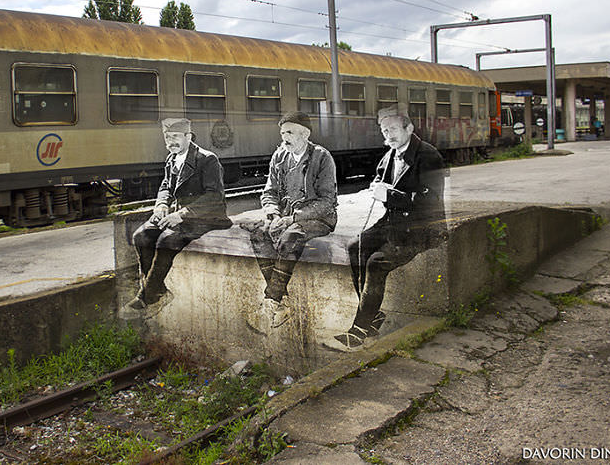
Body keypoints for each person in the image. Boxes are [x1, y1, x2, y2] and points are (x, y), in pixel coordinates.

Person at [335, 105, 447, 349]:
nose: (389, 135)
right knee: (355, 247)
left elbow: (429, 201)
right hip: (393, 224)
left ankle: (360, 329)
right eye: (385, 131)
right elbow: (380, 179)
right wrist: (376, 187)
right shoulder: (389, 155)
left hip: (422, 228)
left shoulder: (428, 156)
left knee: (376, 263)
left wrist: (390, 194)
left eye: (394, 129)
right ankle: (372, 315)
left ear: (409, 128)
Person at [243, 111, 337, 330]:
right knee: (258, 233)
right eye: (283, 132)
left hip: (318, 219)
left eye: (290, 132)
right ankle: (282, 302)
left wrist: (293, 217)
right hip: (285, 217)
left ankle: (270, 302)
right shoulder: (279, 156)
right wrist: (273, 214)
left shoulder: (322, 157)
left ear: (305, 134)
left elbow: (328, 202)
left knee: (291, 237)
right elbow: (269, 192)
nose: (284, 137)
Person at [127, 118, 231, 313]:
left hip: (207, 218)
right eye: (167, 137)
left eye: (175, 137)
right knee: (140, 236)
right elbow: (166, 186)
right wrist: (161, 206)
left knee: (166, 240)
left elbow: (214, 197)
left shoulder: (207, 159)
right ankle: (157, 291)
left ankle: (147, 296)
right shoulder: (172, 158)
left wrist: (182, 214)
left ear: (188, 136)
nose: (170, 141)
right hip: (177, 214)